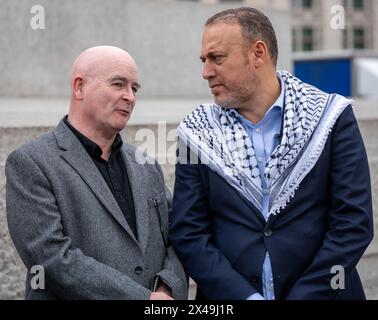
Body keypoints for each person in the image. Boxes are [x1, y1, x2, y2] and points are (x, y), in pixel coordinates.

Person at [169, 8, 373, 300]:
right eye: (204, 60)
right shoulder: (197, 132)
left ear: (258, 53)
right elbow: (189, 233)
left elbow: (353, 224)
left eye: (217, 58)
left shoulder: (331, 117)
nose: (206, 72)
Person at [6, 46, 187, 300]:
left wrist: (167, 288)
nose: (130, 97)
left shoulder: (146, 164)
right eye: (118, 84)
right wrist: (143, 299)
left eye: (134, 88)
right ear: (79, 87)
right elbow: (50, 258)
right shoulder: (31, 163)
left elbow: (178, 236)